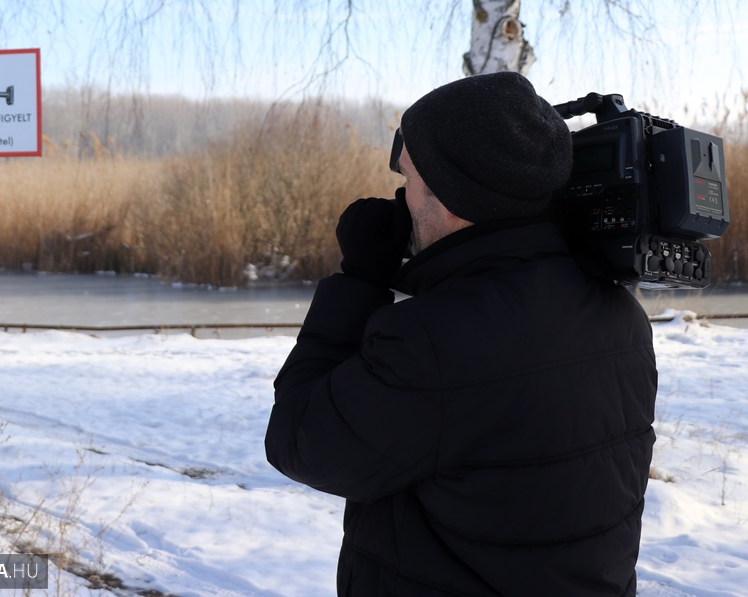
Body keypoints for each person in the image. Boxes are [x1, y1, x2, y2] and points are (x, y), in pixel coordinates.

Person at [264, 71, 657, 596]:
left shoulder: (435, 340)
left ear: (448, 195)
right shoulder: (620, 314)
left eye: (408, 176)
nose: (401, 195)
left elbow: (300, 441)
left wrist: (358, 283)